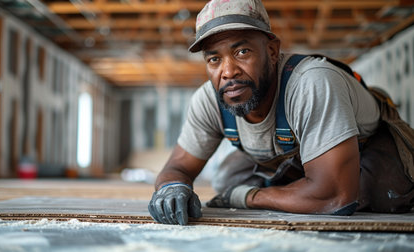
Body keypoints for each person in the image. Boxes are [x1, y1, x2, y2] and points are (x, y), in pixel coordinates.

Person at [148, 0, 414, 225]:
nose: (228, 71)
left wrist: (247, 198)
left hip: (365, 147)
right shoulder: (209, 99)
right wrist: (173, 187)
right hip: (291, 159)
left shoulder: (311, 83)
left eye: (242, 51)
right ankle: (300, 187)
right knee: (228, 178)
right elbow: (178, 166)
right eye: (214, 59)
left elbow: (333, 197)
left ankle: (304, 186)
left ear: (272, 51)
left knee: (381, 196)